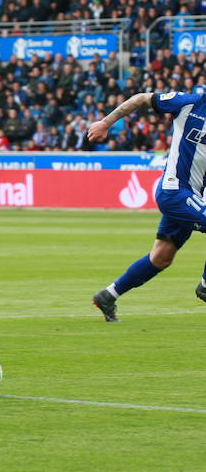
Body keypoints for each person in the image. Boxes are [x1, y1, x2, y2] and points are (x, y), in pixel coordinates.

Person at [88, 91, 206, 322]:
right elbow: (141, 98)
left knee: (161, 257)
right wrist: (105, 122)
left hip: (191, 196)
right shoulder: (189, 103)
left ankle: (108, 295)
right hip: (174, 191)